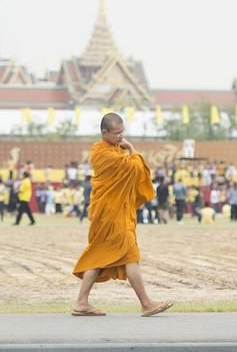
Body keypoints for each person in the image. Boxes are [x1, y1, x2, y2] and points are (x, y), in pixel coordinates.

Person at [72, 113, 173, 317]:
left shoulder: (113, 150)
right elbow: (134, 169)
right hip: (110, 213)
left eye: (122, 132)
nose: (121, 137)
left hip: (114, 212)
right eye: (116, 133)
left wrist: (124, 149)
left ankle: (81, 302)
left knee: (98, 256)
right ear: (104, 133)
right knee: (130, 257)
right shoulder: (103, 153)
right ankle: (146, 303)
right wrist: (132, 150)